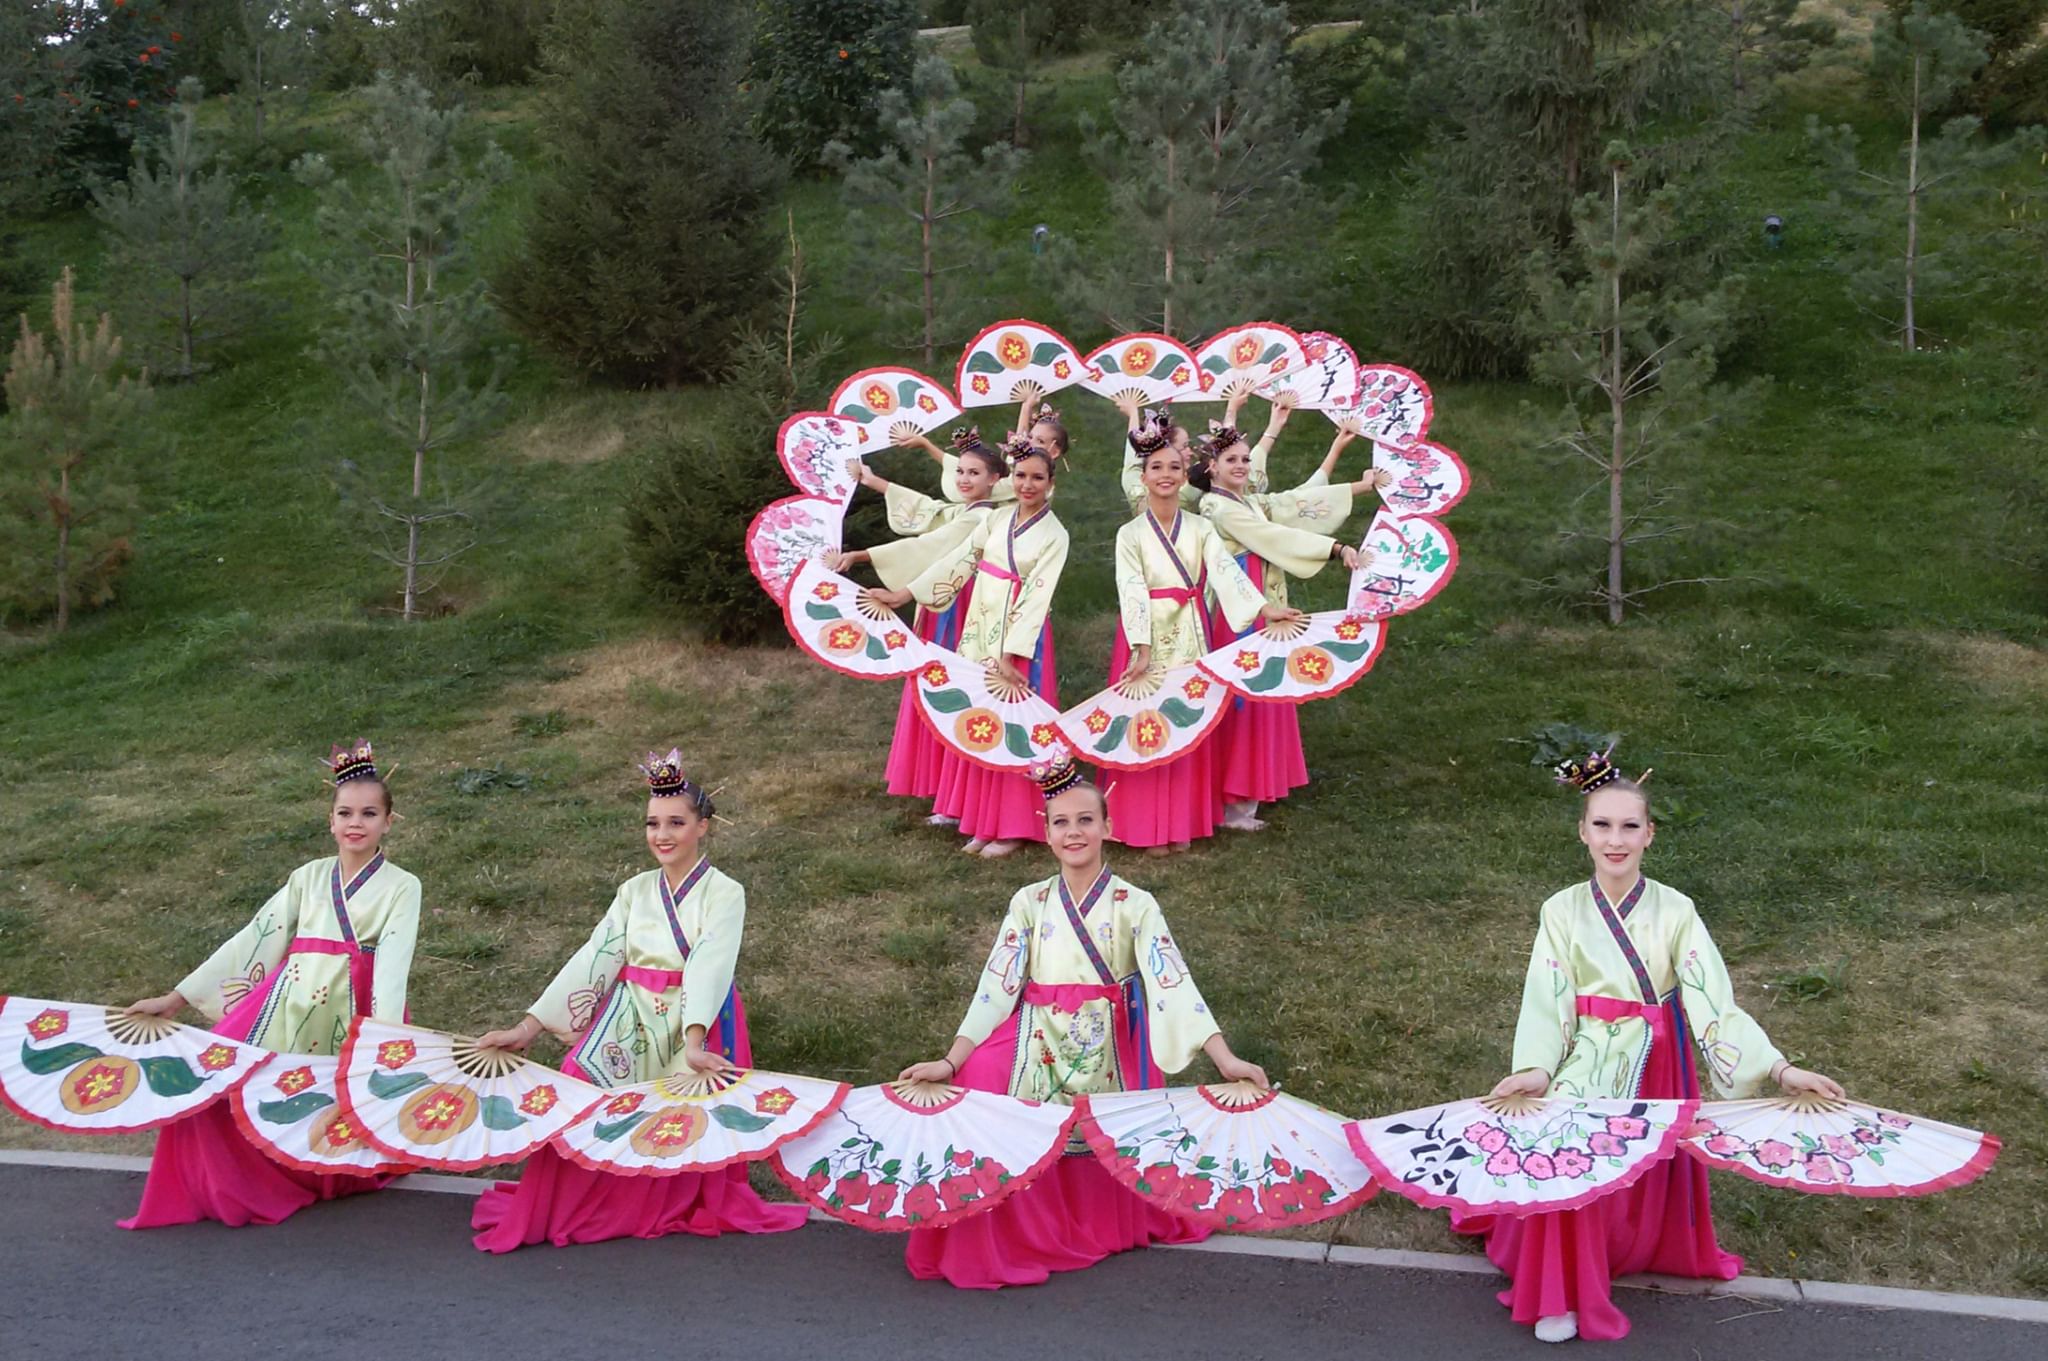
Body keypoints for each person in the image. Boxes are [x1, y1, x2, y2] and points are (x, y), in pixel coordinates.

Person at [1463, 751, 1846, 1343]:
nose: (1616, 840)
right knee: (1570, 1162)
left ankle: (1626, 1248)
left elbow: (1712, 1000)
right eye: (1602, 826)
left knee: (1636, 1166)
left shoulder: (1676, 909)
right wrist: (1537, 1069)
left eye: (1629, 827)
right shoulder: (1561, 910)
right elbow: (1547, 997)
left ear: (1650, 834)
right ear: (1582, 832)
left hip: (1659, 1058)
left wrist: (1779, 1067)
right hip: (1587, 1052)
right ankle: (1559, 1292)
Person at [896, 753, 1271, 1287]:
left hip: (1106, 1038)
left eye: (1085, 820)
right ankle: (1003, 1236)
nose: (1074, 832)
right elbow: (996, 985)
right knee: (980, 1083)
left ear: (1108, 828)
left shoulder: (1135, 904)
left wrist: (1225, 1058)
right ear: (1043, 833)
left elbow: (1173, 982)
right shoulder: (1028, 901)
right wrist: (952, 1059)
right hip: (1034, 1032)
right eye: (1061, 822)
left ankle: (1086, 1222)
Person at [468, 751, 807, 1251]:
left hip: (699, 1016)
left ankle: (653, 1199)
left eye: (676, 822)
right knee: (581, 1096)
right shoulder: (634, 890)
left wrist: (694, 1042)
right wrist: (527, 1028)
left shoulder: (724, 892)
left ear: (703, 826)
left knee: (678, 1116)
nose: (662, 835)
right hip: (630, 1013)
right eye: (652, 824)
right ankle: (563, 1203)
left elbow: (710, 963)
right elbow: (597, 956)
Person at [120, 739, 421, 1229]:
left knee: (323, 1093)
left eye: (369, 813)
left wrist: (382, 1034)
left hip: (354, 1009)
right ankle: (240, 1182)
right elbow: (256, 938)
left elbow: (394, 961)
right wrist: (176, 998)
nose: (356, 823)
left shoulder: (403, 886)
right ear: (330, 820)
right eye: (345, 812)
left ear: (389, 821)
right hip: (288, 1001)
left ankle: (316, 1173)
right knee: (216, 1084)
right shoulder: (307, 877)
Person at [866, 436, 1068, 858]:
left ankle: (1012, 825)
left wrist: (1014, 655)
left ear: (1050, 483)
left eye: (1037, 478)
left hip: (1019, 639)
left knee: (1014, 724)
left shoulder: (1055, 534)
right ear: (1010, 480)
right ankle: (980, 818)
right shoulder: (996, 520)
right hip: (978, 627)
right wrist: (906, 594)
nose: (1027, 485)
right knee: (980, 718)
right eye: (1021, 476)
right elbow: (960, 561)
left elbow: (1039, 595)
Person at [1105, 425, 1302, 853]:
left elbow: (1226, 572)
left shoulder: (1200, 526)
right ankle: (1143, 823)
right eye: (1156, 467)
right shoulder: (1131, 534)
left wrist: (1266, 608)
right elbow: (1131, 586)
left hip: (1192, 628)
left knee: (1185, 716)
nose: (1166, 474)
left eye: (1174, 467)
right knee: (1147, 720)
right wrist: (1140, 644)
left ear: (1183, 475)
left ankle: (1183, 822)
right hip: (1146, 633)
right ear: (1143, 476)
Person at [1193, 402, 1387, 830]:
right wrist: (1335, 548)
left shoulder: (1248, 501)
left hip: (1264, 597)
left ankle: (1249, 791)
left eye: (1245, 458)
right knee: (1245, 692)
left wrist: (1356, 481)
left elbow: (1296, 503)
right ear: (1212, 468)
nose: (1242, 465)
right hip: (1239, 607)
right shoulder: (1217, 508)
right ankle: (1233, 799)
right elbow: (1273, 534)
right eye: (1232, 460)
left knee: (1265, 686)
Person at [830, 430, 1007, 818]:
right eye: (960, 471)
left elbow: (927, 544)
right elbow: (926, 509)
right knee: (937, 687)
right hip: (941, 601)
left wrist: (861, 555)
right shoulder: (963, 510)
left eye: (974, 473)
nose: (963, 479)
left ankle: (956, 790)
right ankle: (944, 786)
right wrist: (872, 480)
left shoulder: (982, 516)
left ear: (994, 479)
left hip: (961, 607)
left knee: (952, 688)